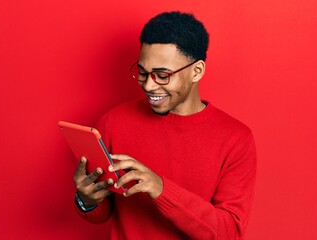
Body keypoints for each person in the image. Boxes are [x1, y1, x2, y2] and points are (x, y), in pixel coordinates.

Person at [73, 11, 256, 240]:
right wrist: (87, 200)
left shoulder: (236, 139)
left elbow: (229, 233)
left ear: (196, 71)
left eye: (162, 75)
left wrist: (160, 189)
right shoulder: (113, 122)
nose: (149, 85)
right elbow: (104, 212)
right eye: (142, 72)